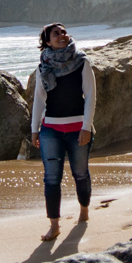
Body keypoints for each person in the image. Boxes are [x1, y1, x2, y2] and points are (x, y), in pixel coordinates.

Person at [30, 23, 97, 241]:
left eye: (64, 32)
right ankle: (54, 225)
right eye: (56, 33)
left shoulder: (81, 62)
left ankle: (84, 210)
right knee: (51, 178)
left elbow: (90, 96)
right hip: (50, 129)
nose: (62, 35)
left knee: (80, 173)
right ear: (48, 41)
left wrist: (86, 126)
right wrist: (34, 130)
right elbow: (39, 100)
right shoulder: (43, 67)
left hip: (78, 128)